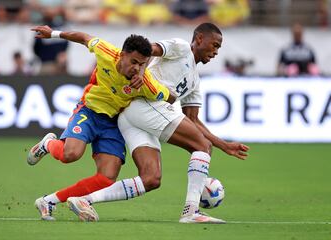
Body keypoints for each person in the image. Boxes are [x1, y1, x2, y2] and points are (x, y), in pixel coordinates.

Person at [66, 23, 250, 224]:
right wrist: (141, 73)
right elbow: (149, 48)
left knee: (151, 178)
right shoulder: (180, 47)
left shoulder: (195, 82)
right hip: (147, 103)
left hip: (132, 116)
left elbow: (193, 119)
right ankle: (191, 212)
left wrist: (223, 145)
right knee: (202, 146)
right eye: (214, 45)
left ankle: (84, 200)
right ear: (199, 39)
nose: (216, 52)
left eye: (219, 48)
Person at [27, 25, 172, 220]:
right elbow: (82, 36)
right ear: (122, 55)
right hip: (89, 111)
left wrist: (148, 77)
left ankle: (48, 201)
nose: (136, 68)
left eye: (142, 64)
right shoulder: (105, 51)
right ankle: (48, 144)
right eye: (134, 62)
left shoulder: (144, 82)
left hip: (114, 123)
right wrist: (53, 34)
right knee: (70, 154)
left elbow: (171, 97)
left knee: (106, 178)